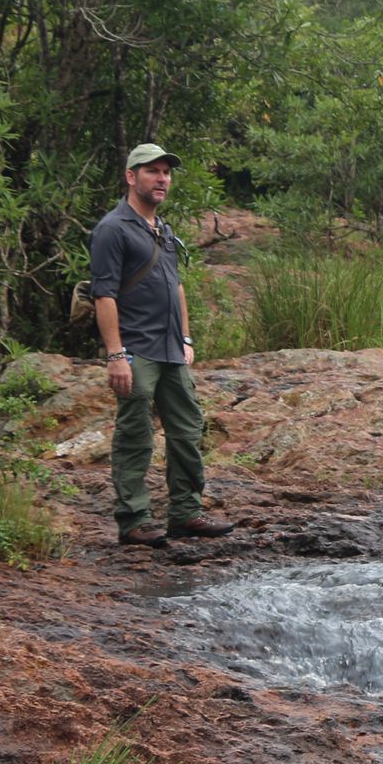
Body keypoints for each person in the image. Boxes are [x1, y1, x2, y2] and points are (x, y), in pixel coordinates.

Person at [88, 143, 234, 547]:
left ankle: (186, 513)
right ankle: (134, 520)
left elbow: (177, 287)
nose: (162, 179)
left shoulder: (164, 231)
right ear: (131, 177)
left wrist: (185, 338)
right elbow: (104, 296)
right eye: (152, 171)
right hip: (136, 350)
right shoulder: (112, 229)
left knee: (188, 430)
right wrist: (116, 355)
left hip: (171, 351)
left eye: (166, 172)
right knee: (136, 434)